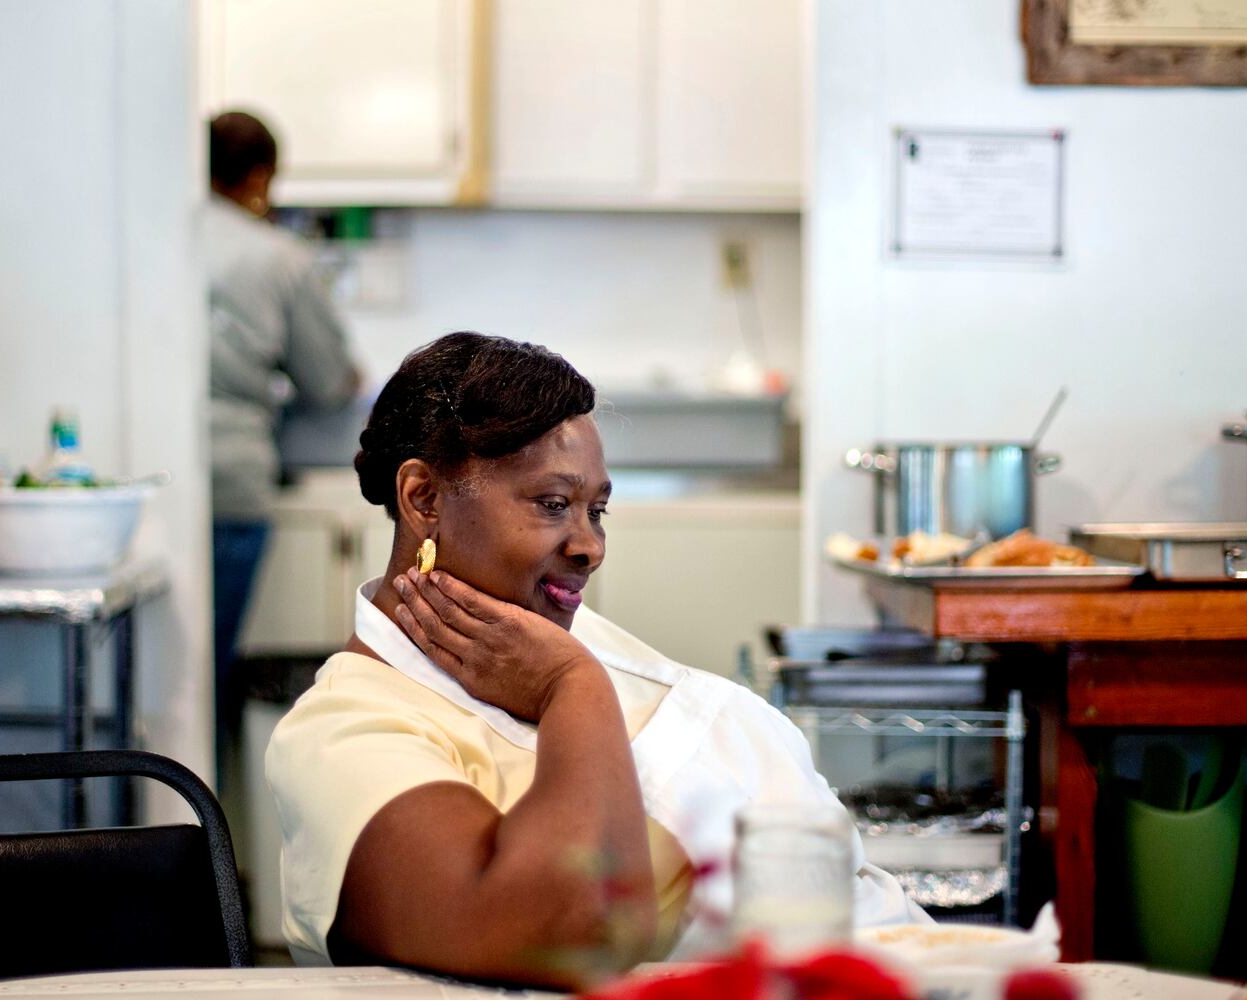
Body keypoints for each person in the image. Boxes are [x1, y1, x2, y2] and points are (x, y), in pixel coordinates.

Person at [265, 333, 926, 988]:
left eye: (597, 511)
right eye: (553, 505)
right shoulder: (343, 731)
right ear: (424, 499)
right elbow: (566, 931)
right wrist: (572, 686)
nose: (591, 547)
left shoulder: (547, 630)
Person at [204, 110, 359, 772]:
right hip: (230, 480)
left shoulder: (153, 236)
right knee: (208, 678)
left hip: (143, 478)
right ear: (261, 176)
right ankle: (214, 820)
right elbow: (329, 381)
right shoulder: (277, 255)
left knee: (163, 683)